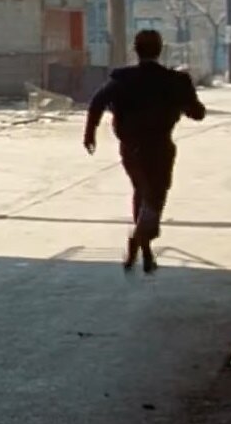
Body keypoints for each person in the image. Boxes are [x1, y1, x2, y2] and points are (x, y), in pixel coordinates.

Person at [82, 29, 206, 274]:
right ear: (160, 50)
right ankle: (140, 239)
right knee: (156, 194)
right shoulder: (175, 81)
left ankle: (144, 248)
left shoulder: (122, 80)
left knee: (142, 190)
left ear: (135, 50)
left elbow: (96, 102)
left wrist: (90, 133)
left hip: (131, 147)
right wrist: (186, 105)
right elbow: (197, 112)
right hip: (160, 145)